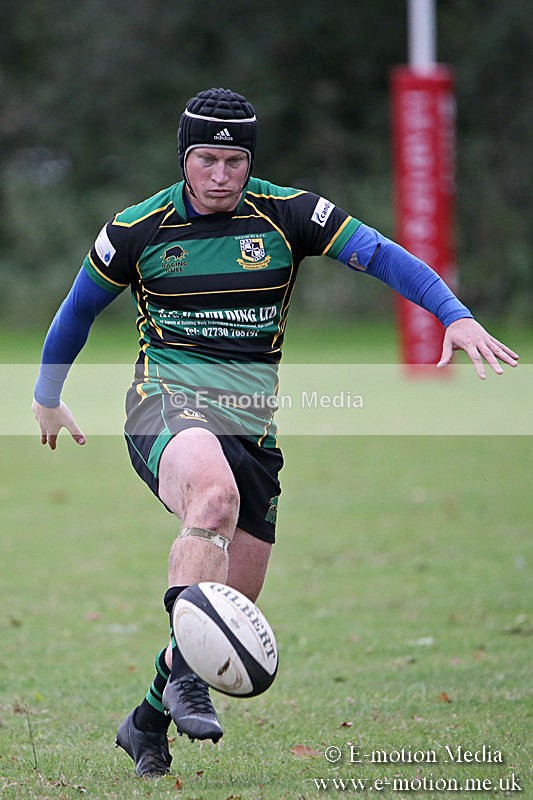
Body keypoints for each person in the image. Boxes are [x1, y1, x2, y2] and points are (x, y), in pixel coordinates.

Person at [32, 88, 519, 777]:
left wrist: (453, 313)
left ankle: (145, 722)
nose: (221, 175)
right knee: (213, 500)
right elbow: (77, 311)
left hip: (252, 428)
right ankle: (189, 684)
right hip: (163, 403)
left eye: (234, 161)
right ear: (184, 159)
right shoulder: (137, 228)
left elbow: (381, 254)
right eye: (206, 160)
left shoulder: (289, 214)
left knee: (231, 600)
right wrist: (47, 395)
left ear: (250, 161)